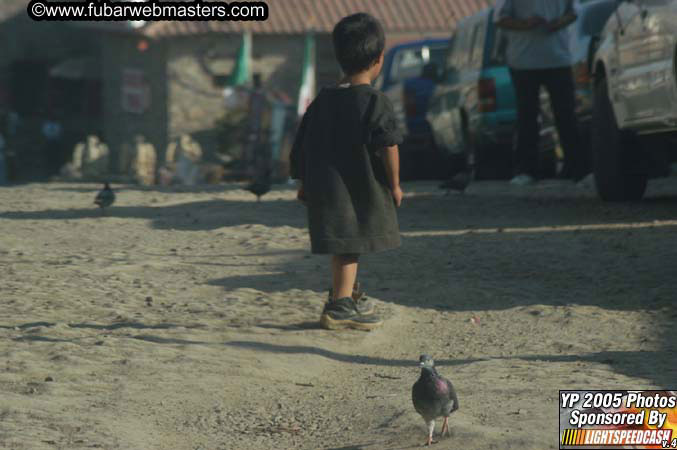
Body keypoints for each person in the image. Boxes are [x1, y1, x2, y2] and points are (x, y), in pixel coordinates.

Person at [289, 13, 403, 331]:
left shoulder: (322, 102)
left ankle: (347, 293)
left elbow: (301, 145)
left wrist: (301, 182)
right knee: (349, 246)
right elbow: (389, 146)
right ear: (379, 59)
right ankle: (340, 307)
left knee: (345, 243)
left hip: (325, 189)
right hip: (358, 189)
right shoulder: (376, 102)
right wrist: (394, 184)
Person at [495, 0, 587, 186]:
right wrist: (526, 24)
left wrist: (557, 24)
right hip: (523, 61)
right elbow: (500, 19)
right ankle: (526, 170)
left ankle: (577, 169)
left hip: (558, 59)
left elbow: (575, 12)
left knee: (566, 116)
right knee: (527, 117)